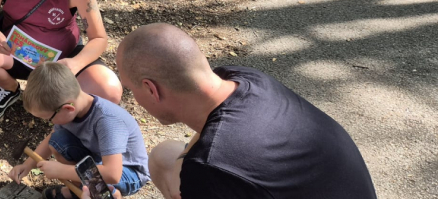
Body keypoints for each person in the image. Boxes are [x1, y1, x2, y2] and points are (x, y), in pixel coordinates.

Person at [114, 23, 377, 199]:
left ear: (151, 89)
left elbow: (212, 162)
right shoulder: (245, 78)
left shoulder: (210, 168)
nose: (134, 100)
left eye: (130, 89)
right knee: (164, 155)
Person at [8, 62, 150, 199]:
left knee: (105, 184)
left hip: (128, 172)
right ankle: (80, 192)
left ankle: (101, 193)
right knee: (58, 140)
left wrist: (64, 171)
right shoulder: (71, 110)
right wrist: (27, 165)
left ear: (68, 108)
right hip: (98, 160)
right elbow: (53, 138)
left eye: (49, 118)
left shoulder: (107, 120)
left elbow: (113, 174)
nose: (48, 122)